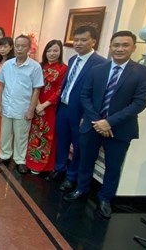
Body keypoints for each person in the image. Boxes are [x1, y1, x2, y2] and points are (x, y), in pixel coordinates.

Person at [64, 31, 146, 219]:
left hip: (119, 129)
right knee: (85, 160)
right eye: (116, 45)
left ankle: (105, 199)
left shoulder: (143, 73)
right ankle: (82, 189)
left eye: (125, 45)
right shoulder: (98, 69)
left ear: (133, 48)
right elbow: (85, 96)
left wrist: (109, 122)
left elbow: (139, 103)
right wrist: (97, 121)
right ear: (110, 46)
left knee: (113, 167)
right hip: (92, 125)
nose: (120, 49)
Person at [51, 26, 107, 191]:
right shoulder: (73, 60)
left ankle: (71, 176)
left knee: (78, 146)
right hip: (64, 108)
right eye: (76, 40)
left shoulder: (101, 64)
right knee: (62, 141)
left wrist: (89, 116)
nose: (78, 43)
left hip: (81, 113)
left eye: (83, 40)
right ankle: (59, 168)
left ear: (94, 41)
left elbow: (98, 95)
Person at [0, 35, 44, 174]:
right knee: (5, 134)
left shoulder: (35, 67)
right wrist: (0, 104)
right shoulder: (8, 64)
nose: (19, 49)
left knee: (21, 136)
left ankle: (20, 160)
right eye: (17, 45)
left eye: (23, 46)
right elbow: (2, 86)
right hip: (7, 105)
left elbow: (36, 90)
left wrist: (31, 109)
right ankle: (4, 156)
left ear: (29, 48)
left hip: (23, 108)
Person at [25, 40, 67, 174]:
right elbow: (33, 85)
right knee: (34, 133)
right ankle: (31, 161)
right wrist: (37, 104)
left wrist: (44, 105)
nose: (52, 53)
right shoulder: (39, 66)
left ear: (60, 52)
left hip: (50, 107)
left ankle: (44, 165)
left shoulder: (63, 68)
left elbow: (60, 90)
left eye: (55, 50)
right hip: (35, 103)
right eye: (49, 50)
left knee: (47, 135)